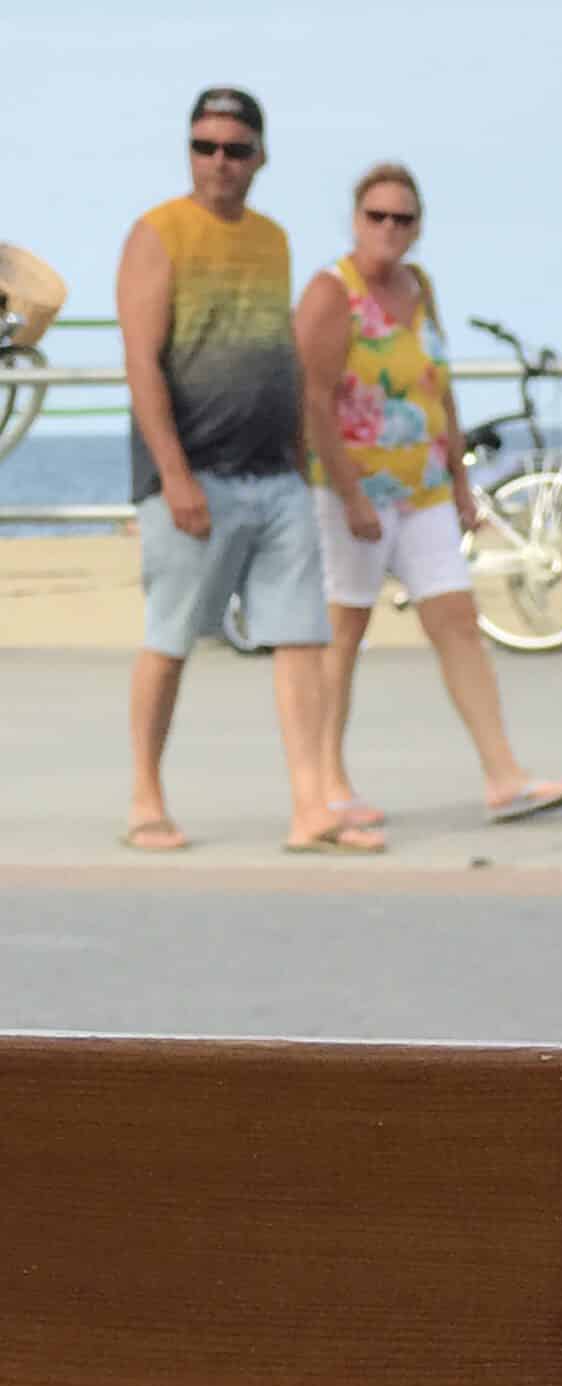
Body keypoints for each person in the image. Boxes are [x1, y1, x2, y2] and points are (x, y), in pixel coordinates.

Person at [116, 87, 374, 853]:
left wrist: (301, 460)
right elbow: (140, 362)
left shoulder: (274, 240)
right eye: (204, 146)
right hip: (193, 480)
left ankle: (311, 808)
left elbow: (283, 356)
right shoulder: (156, 235)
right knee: (170, 640)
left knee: (302, 639)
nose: (219, 162)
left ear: (259, 155)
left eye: (234, 148)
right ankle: (145, 798)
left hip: (277, 477)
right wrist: (174, 474)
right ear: (189, 151)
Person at [295, 161, 562, 831]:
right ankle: (328, 780)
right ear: (355, 220)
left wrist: (458, 483)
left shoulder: (421, 288)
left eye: (403, 218)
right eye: (377, 217)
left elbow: (437, 387)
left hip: (422, 489)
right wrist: (351, 494)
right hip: (351, 491)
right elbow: (310, 397)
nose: (390, 229)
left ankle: (504, 773)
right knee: (344, 630)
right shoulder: (332, 293)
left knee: (456, 621)